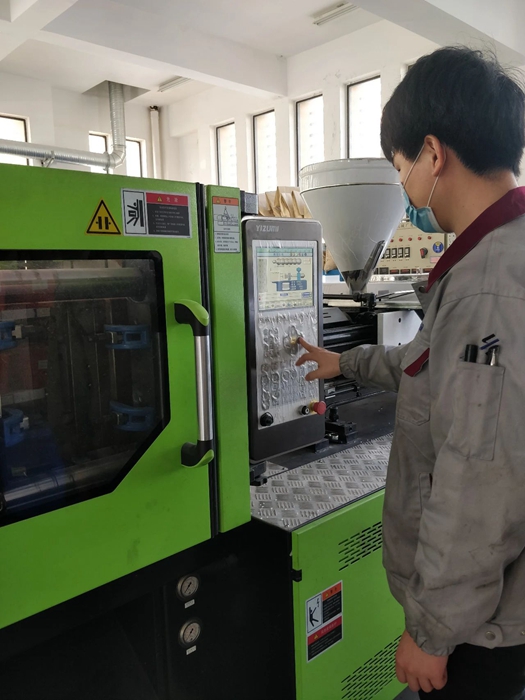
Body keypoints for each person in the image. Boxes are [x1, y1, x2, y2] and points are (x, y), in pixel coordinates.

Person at [297, 47, 525, 700]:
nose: (404, 189)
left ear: (432, 155)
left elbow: (479, 478)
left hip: (481, 629)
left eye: (400, 169)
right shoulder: (498, 257)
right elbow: (435, 368)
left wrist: (430, 632)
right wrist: (343, 361)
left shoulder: (487, 283)